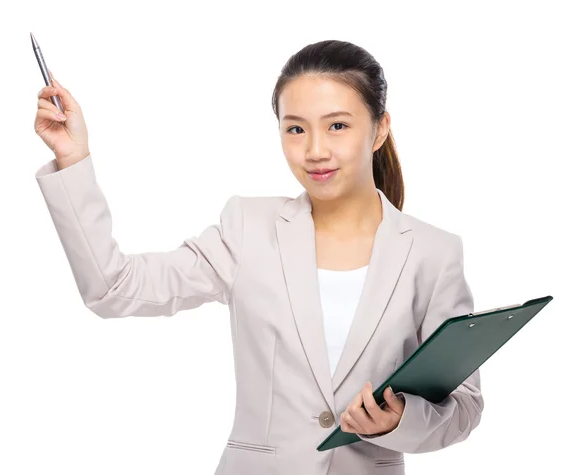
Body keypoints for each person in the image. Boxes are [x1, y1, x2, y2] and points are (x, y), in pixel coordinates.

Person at [33, 39, 483, 475]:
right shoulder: (248, 228)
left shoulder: (434, 253)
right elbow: (114, 288)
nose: (315, 150)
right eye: (295, 128)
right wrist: (73, 159)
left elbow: (464, 405)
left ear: (380, 128)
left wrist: (399, 420)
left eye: (338, 126)